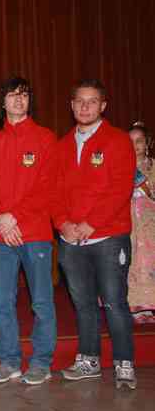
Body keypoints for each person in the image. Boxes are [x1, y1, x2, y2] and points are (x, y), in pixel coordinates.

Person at [54, 79, 137, 389]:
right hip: (71, 240)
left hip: (108, 238)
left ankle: (124, 363)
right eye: (79, 101)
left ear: (103, 106)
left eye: (91, 101)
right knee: (83, 303)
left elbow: (120, 189)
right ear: (72, 105)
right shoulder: (62, 145)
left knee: (114, 302)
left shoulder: (118, 141)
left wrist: (91, 224)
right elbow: (53, 191)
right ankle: (88, 360)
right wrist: (63, 224)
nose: (85, 107)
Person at [0, 77, 58, 385]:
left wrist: (15, 217)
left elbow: (47, 187)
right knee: (3, 304)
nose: (18, 100)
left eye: (24, 95)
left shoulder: (45, 138)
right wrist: (2, 219)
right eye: (12, 95)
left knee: (42, 302)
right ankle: (9, 361)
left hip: (35, 232)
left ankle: (41, 363)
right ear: (2, 103)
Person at [127, 121, 155, 323]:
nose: (135, 145)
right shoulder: (120, 165)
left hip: (149, 222)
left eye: (139, 141)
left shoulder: (153, 165)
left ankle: (149, 303)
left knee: (148, 260)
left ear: (147, 143)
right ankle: (134, 305)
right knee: (131, 260)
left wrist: (146, 187)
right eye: (130, 141)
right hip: (127, 221)